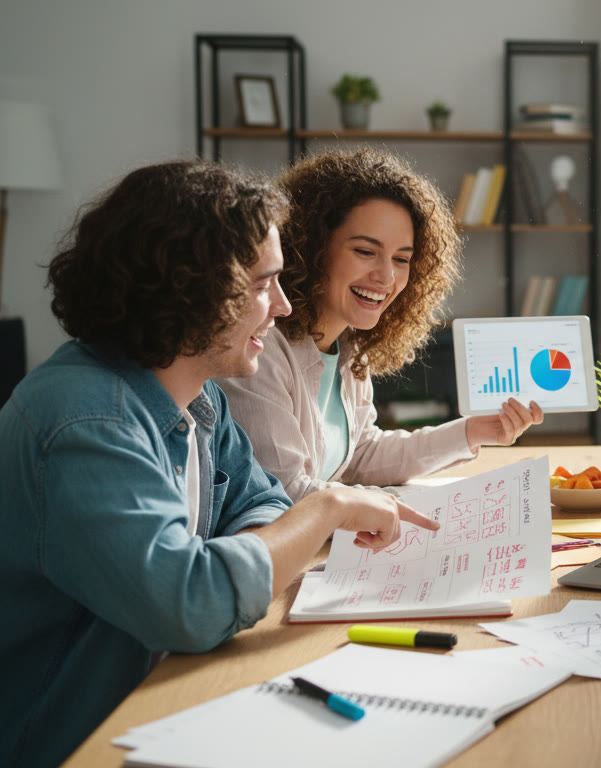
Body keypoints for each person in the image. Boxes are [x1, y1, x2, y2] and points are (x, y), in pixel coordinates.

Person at [0, 161, 439, 767]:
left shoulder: (197, 396)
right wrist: (327, 508)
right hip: (72, 742)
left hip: (164, 705)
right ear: (188, 286)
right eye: (263, 285)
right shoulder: (87, 424)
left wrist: (240, 554)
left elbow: (262, 505)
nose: (283, 307)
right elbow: (192, 604)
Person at [219, 149, 542, 502]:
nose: (387, 277)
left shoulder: (348, 344)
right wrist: (396, 511)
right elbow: (288, 494)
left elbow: (360, 454)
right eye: (365, 251)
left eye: (402, 259)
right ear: (310, 247)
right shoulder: (261, 349)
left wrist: (473, 432)